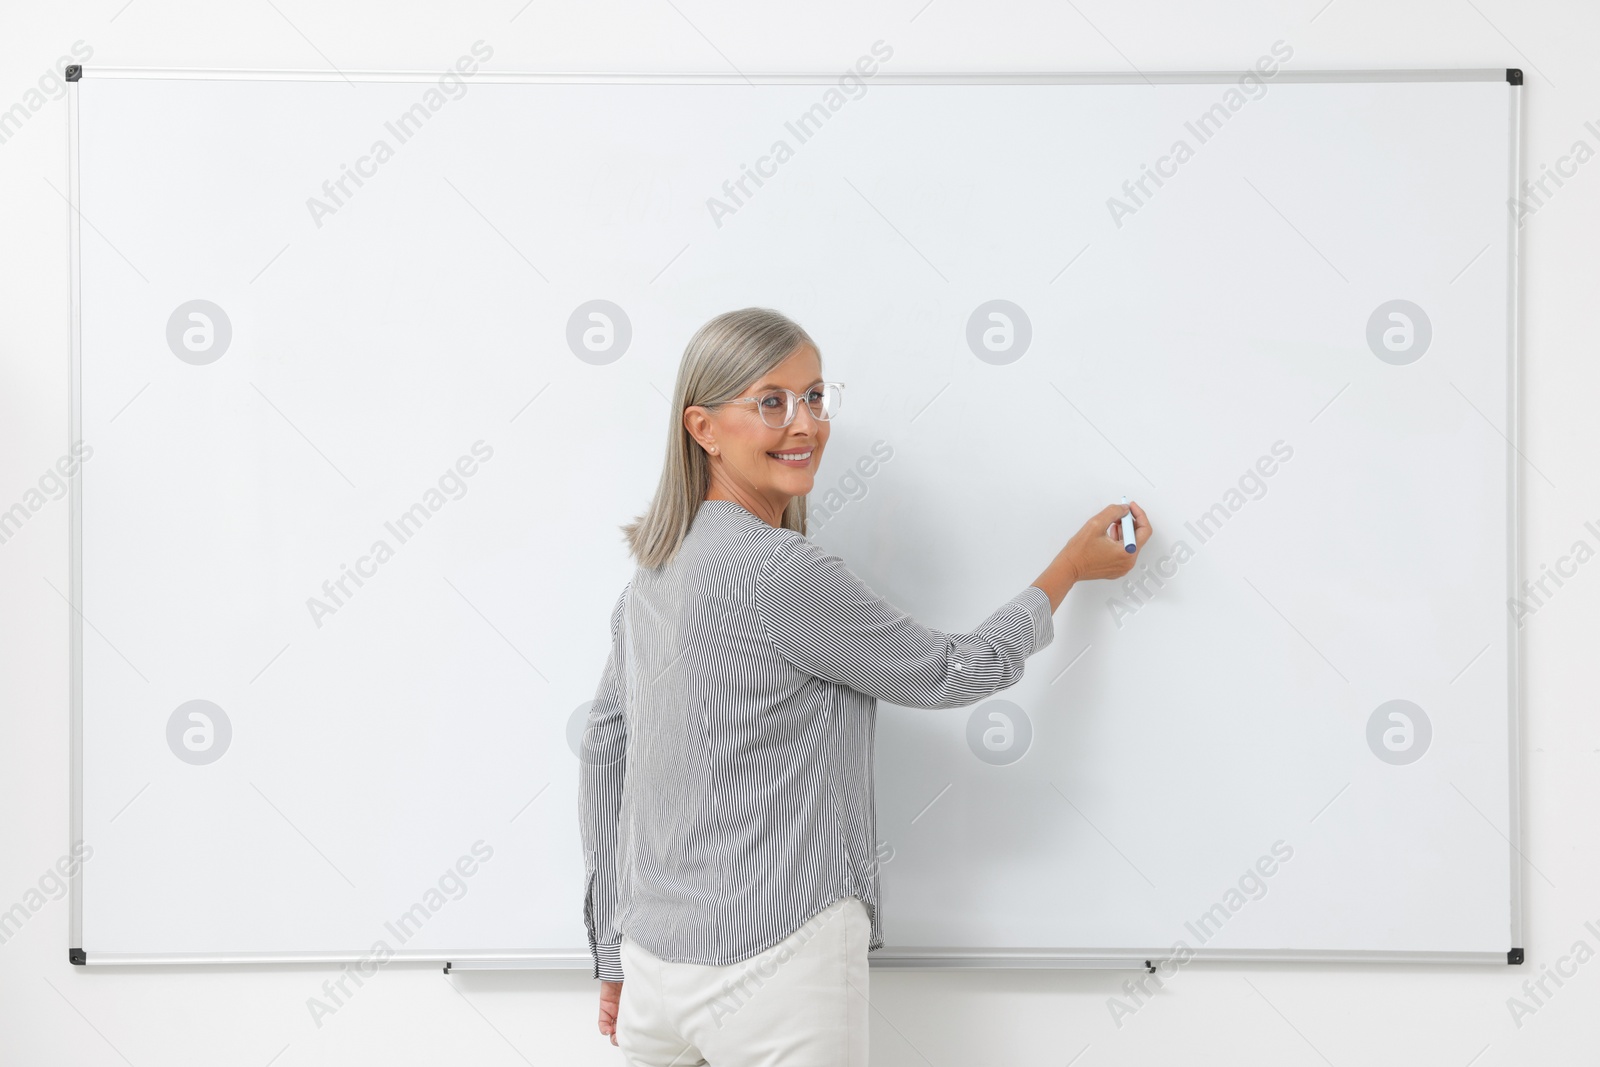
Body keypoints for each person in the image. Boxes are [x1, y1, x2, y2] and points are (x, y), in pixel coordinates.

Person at [579, 307, 1151, 1065]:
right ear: (703, 427)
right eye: (771, 401)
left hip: (655, 962)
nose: (805, 423)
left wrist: (611, 951)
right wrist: (1070, 569)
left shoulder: (652, 575)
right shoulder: (782, 571)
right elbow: (955, 670)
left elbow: (604, 742)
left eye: (814, 396)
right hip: (779, 957)